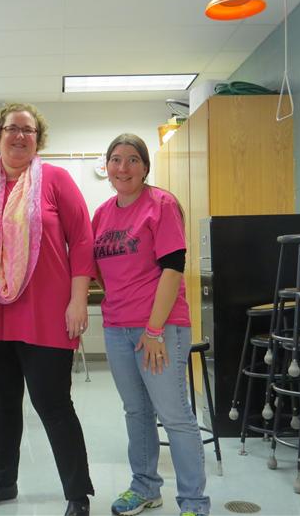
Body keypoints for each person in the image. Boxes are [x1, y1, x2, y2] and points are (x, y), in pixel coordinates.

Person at [0, 103, 95, 516]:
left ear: (38, 139)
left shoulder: (56, 180)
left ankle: (77, 494)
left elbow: (83, 239)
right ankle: (2, 481)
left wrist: (78, 300)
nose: (19, 136)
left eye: (28, 130)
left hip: (46, 314)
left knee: (53, 404)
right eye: (12, 128)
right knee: (2, 403)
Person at [92, 133, 210, 516]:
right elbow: (99, 270)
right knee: (136, 411)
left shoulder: (161, 204)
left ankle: (194, 502)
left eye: (132, 159)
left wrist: (154, 329)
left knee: (174, 414)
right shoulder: (102, 214)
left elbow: (173, 269)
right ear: (107, 166)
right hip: (116, 327)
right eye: (115, 159)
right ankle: (144, 487)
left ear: (145, 167)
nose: (123, 167)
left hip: (159, 328)